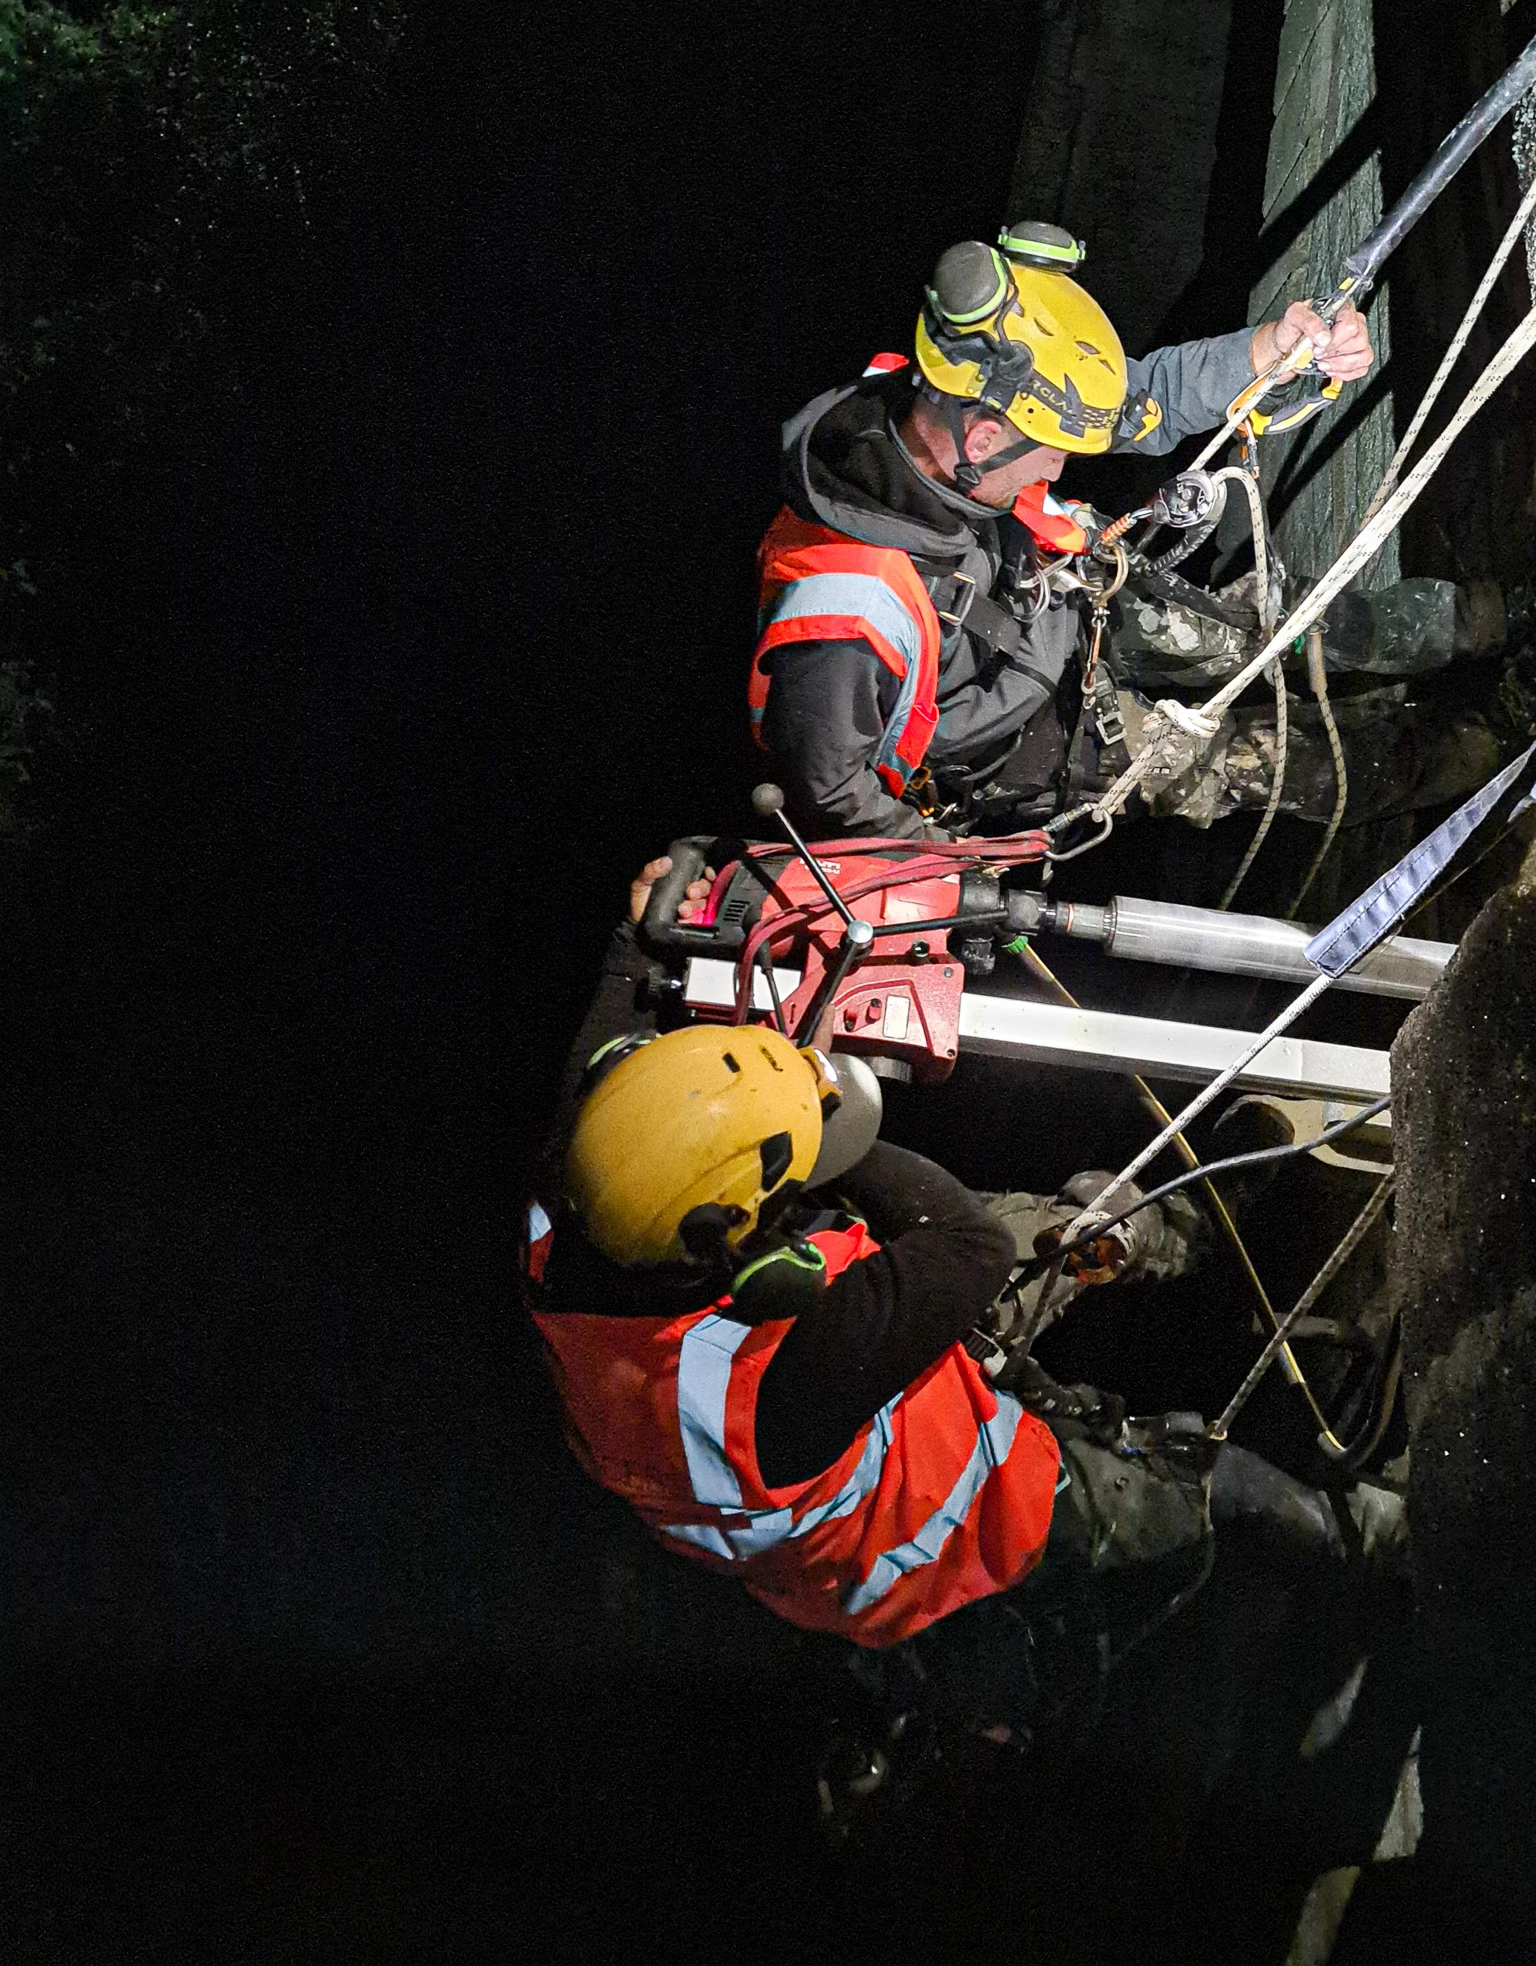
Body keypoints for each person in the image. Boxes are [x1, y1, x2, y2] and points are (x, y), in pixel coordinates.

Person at [522, 859, 1371, 1689]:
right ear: (753, 1255)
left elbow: (612, 1061)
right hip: (942, 1518)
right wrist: (821, 1112)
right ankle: (1375, 1543)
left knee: (1084, 1233)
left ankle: (1208, 1203)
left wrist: (642, 931)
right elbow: (970, 1248)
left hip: (876, 1373)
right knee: (1192, 1493)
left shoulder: (596, 1188)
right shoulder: (781, 1374)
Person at [749, 222, 1503, 841]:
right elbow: (832, 796)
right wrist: (957, 870)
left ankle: (1483, 619)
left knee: (1270, 621)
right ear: (980, 445)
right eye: (1056, 449)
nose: (1068, 461)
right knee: (1274, 764)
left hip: (1066, 601)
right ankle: (1490, 737)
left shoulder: (954, 400)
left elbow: (1139, 401)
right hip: (1044, 738)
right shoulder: (845, 624)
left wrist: (1271, 351)